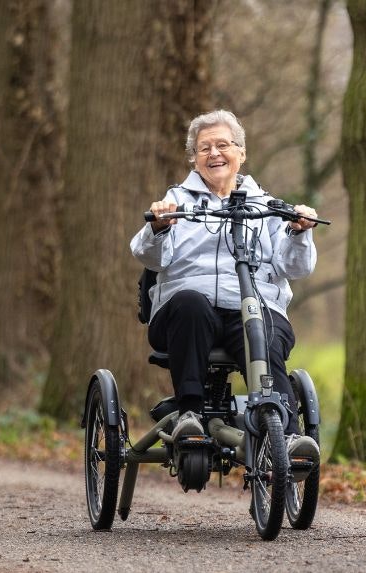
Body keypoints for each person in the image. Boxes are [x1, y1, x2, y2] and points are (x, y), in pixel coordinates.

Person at [130, 110, 320, 462]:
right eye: (204, 148)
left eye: (222, 145)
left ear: (241, 153)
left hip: (250, 308)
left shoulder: (268, 207)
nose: (214, 153)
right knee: (190, 301)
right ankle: (189, 413)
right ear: (193, 158)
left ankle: (288, 437)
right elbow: (148, 256)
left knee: (262, 323)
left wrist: (297, 231)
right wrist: (158, 227)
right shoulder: (175, 203)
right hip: (187, 314)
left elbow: (297, 267)